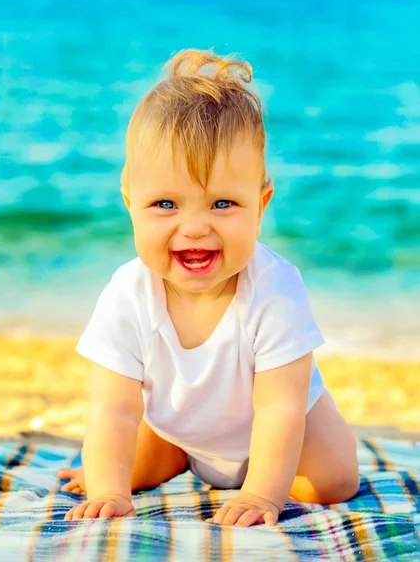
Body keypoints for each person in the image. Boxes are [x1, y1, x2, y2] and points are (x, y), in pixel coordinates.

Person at [57, 49, 359, 527]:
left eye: (222, 203)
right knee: (119, 467)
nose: (194, 227)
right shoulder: (127, 294)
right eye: (165, 204)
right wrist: (108, 490)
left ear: (261, 206)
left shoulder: (275, 289)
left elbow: (280, 408)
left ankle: (234, 470)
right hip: (184, 427)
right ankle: (174, 453)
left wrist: (261, 494)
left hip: (285, 429)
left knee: (334, 484)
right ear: (130, 203)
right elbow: (112, 409)